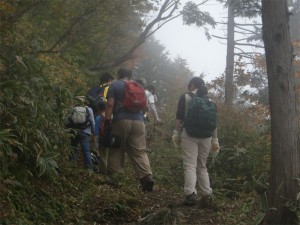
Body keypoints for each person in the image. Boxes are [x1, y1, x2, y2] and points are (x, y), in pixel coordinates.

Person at [104, 68, 154, 192]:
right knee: (139, 151)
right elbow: (146, 107)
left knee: (116, 149)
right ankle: (146, 176)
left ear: (118, 74)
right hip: (139, 122)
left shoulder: (115, 85)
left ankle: (116, 178)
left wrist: (107, 121)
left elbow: (110, 104)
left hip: (121, 121)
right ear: (130, 75)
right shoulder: (139, 87)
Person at [172, 77, 219, 207]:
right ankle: (206, 196)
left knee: (190, 164)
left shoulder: (186, 97)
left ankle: (190, 194)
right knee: (202, 166)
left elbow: (179, 117)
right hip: (207, 136)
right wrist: (215, 139)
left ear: (192, 85)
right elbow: (214, 123)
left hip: (189, 134)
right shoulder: (210, 101)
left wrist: (176, 132)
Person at [69, 96, 95, 173]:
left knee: (73, 148)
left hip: (74, 131)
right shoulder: (89, 109)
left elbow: (68, 120)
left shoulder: (73, 109)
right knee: (86, 150)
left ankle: (72, 166)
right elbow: (92, 122)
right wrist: (93, 132)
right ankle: (89, 169)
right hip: (85, 132)